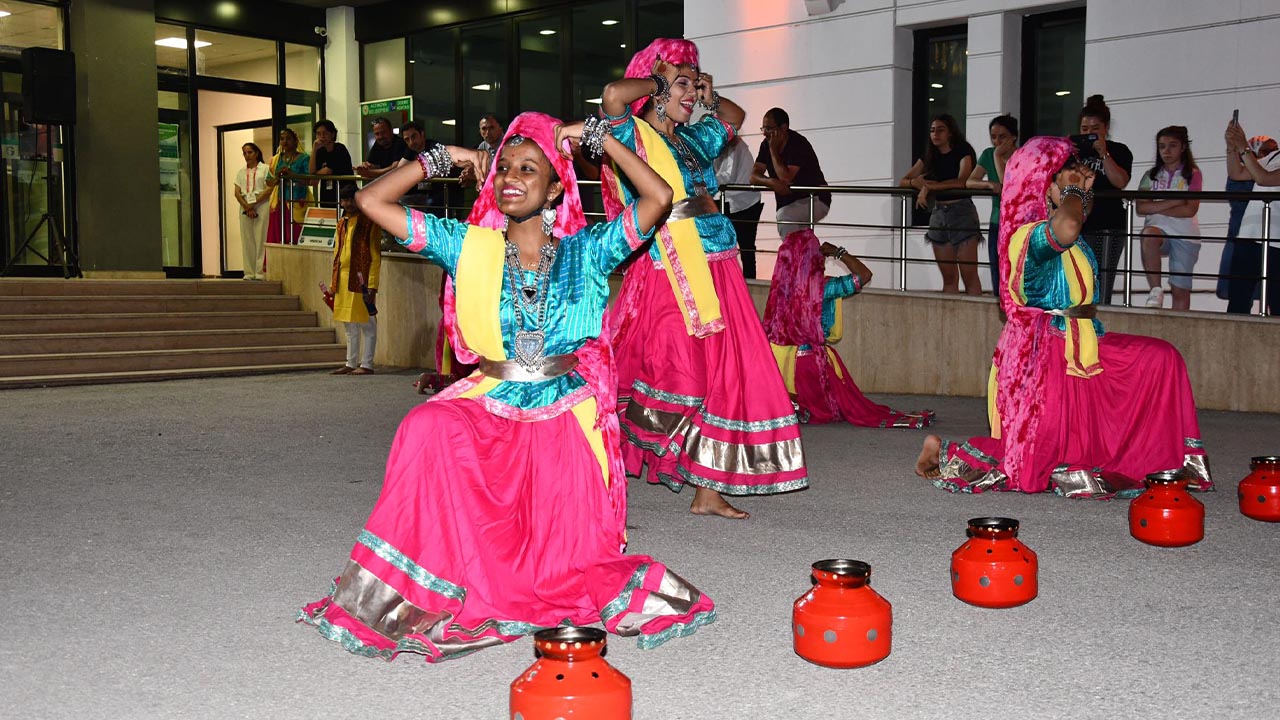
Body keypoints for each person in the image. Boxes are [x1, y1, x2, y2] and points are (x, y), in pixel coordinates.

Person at [299, 111, 716, 661]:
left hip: (565, 407)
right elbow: (371, 203)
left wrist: (603, 141)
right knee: (427, 424)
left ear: (554, 188)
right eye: (503, 170)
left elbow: (659, 197)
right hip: (493, 397)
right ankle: (432, 575)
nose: (512, 178)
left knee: (567, 557)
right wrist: (440, 158)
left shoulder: (587, 250)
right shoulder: (467, 244)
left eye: (529, 169)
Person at [914, 136, 1212, 498]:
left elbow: (1072, 220)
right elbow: (1067, 226)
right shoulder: (1028, 235)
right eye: (1062, 176)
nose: (1074, 180)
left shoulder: (1056, 226)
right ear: (1043, 185)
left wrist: (1075, 189)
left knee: (1162, 359)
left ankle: (1166, 463)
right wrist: (1073, 191)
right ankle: (942, 451)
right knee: (1034, 462)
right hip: (1046, 359)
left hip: (1083, 341)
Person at [600, 38, 807, 521]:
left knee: (721, 377)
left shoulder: (693, 139)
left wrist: (704, 94)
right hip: (670, 270)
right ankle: (589, 468)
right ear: (654, 86)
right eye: (683, 86)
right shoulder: (631, 135)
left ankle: (707, 491)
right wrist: (663, 79)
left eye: (695, 85)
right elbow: (612, 94)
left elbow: (733, 115)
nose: (691, 95)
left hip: (719, 266)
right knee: (678, 375)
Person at [764, 229, 935, 428]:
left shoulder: (779, 291)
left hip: (780, 366)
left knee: (812, 405)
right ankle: (806, 407)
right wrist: (839, 252)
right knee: (848, 408)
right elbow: (864, 275)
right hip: (811, 365)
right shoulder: (823, 287)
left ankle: (797, 407)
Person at [900, 113, 983, 295]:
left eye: (940, 129)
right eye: (932, 130)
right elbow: (904, 180)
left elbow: (963, 181)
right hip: (939, 213)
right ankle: (951, 319)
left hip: (961, 211)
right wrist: (917, 183)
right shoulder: (929, 155)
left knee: (969, 275)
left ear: (951, 132)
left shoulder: (963, 151)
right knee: (949, 278)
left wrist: (930, 186)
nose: (935, 134)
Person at [1136, 126, 1203, 311]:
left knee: (1180, 290)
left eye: (1172, 145)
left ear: (1183, 147)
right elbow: (1141, 206)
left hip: (1185, 235)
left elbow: (1189, 210)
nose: (1166, 151)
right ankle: (1156, 289)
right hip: (1159, 230)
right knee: (1149, 235)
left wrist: (1157, 206)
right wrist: (1174, 200)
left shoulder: (1193, 174)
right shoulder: (1150, 176)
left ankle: (1179, 332)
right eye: (1162, 146)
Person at [1076, 95, 1133, 305]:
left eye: (1095, 128)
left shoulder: (1119, 151)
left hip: (1109, 223)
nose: (1089, 133)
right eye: (1084, 129)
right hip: (1079, 224)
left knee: (1101, 281)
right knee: (1080, 280)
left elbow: (1120, 181)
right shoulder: (1075, 153)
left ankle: (1100, 328)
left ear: (1106, 128)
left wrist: (1104, 154)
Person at [751, 107, 832, 240]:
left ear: (783, 127)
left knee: (785, 217)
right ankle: (802, 258)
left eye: (769, 129)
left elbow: (785, 178)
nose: (765, 133)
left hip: (815, 198)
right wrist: (770, 182)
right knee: (801, 240)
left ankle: (791, 259)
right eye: (763, 129)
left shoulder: (798, 143)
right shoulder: (765, 145)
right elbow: (753, 176)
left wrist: (773, 149)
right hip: (790, 203)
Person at [1225, 125, 1280, 315]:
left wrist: (1244, 148)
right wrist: (1231, 148)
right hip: (1249, 234)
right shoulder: (1275, 156)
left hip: (1276, 240)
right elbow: (1237, 173)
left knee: (1276, 301)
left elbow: (1263, 178)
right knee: (1238, 300)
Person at [328, 184, 381, 376]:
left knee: (367, 322)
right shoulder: (341, 223)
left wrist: (373, 285)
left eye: (350, 199)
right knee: (348, 324)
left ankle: (367, 364)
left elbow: (375, 254)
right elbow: (337, 252)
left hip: (362, 280)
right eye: (343, 200)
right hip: (343, 278)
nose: (347, 203)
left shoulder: (369, 223)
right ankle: (350, 362)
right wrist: (334, 281)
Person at [967, 115, 1018, 293]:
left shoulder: (1021, 156)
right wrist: (987, 184)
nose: (997, 141)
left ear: (1013, 137)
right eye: (993, 137)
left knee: (1016, 269)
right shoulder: (988, 154)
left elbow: (1007, 184)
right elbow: (970, 181)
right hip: (997, 220)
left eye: (1002, 137)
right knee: (997, 268)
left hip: (1018, 222)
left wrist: (998, 156)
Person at [714, 136, 764, 279]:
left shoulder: (733, 144)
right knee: (724, 247)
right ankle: (730, 283)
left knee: (746, 247)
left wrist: (703, 179)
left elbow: (727, 176)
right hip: (730, 200)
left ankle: (747, 286)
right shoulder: (720, 144)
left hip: (744, 202)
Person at [265, 128, 310, 246]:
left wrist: (292, 175)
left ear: (296, 141)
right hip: (280, 204)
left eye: (288, 138)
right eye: (282, 139)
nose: (285, 141)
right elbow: (268, 181)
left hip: (298, 202)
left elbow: (310, 180)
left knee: (296, 237)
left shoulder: (304, 158)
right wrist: (279, 177)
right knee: (280, 238)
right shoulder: (276, 159)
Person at [234, 142, 269, 280]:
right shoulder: (241, 172)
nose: (247, 156)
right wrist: (246, 206)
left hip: (261, 204)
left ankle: (260, 273)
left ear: (257, 153)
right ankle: (249, 272)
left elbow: (269, 188)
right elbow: (237, 192)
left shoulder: (265, 169)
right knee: (247, 239)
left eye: (250, 152)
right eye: (244, 153)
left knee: (261, 238)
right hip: (245, 206)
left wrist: (254, 203)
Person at [309, 119, 354, 208]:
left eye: (325, 133)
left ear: (332, 134)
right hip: (326, 194)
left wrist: (316, 174)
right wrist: (314, 149)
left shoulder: (340, 148)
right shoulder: (320, 151)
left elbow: (327, 171)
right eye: (318, 134)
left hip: (344, 193)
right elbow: (312, 174)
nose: (322, 137)